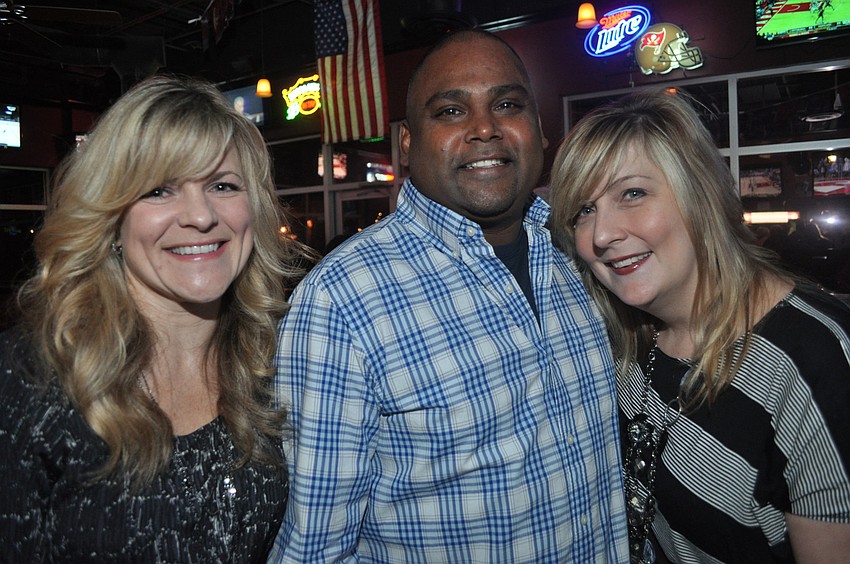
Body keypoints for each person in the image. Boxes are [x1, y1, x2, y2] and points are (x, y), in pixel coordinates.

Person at [270, 29, 629, 562]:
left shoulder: (586, 256)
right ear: (408, 146)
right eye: (450, 112)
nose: (485, 128)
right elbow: (316, 548)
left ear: (540, 130)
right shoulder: (343, 300)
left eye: (507, 104)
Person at [0, 75, 309, 562]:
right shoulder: (32, 377)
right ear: (112, 221)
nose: (201, 216)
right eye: (160, 190)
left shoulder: (276, 361)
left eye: (223, 185)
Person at [548, 88, 850, 563]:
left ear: (699, 192)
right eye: (584, 210)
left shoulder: (813, 358)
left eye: (632, 193)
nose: (602, 235)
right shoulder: (633, 340)